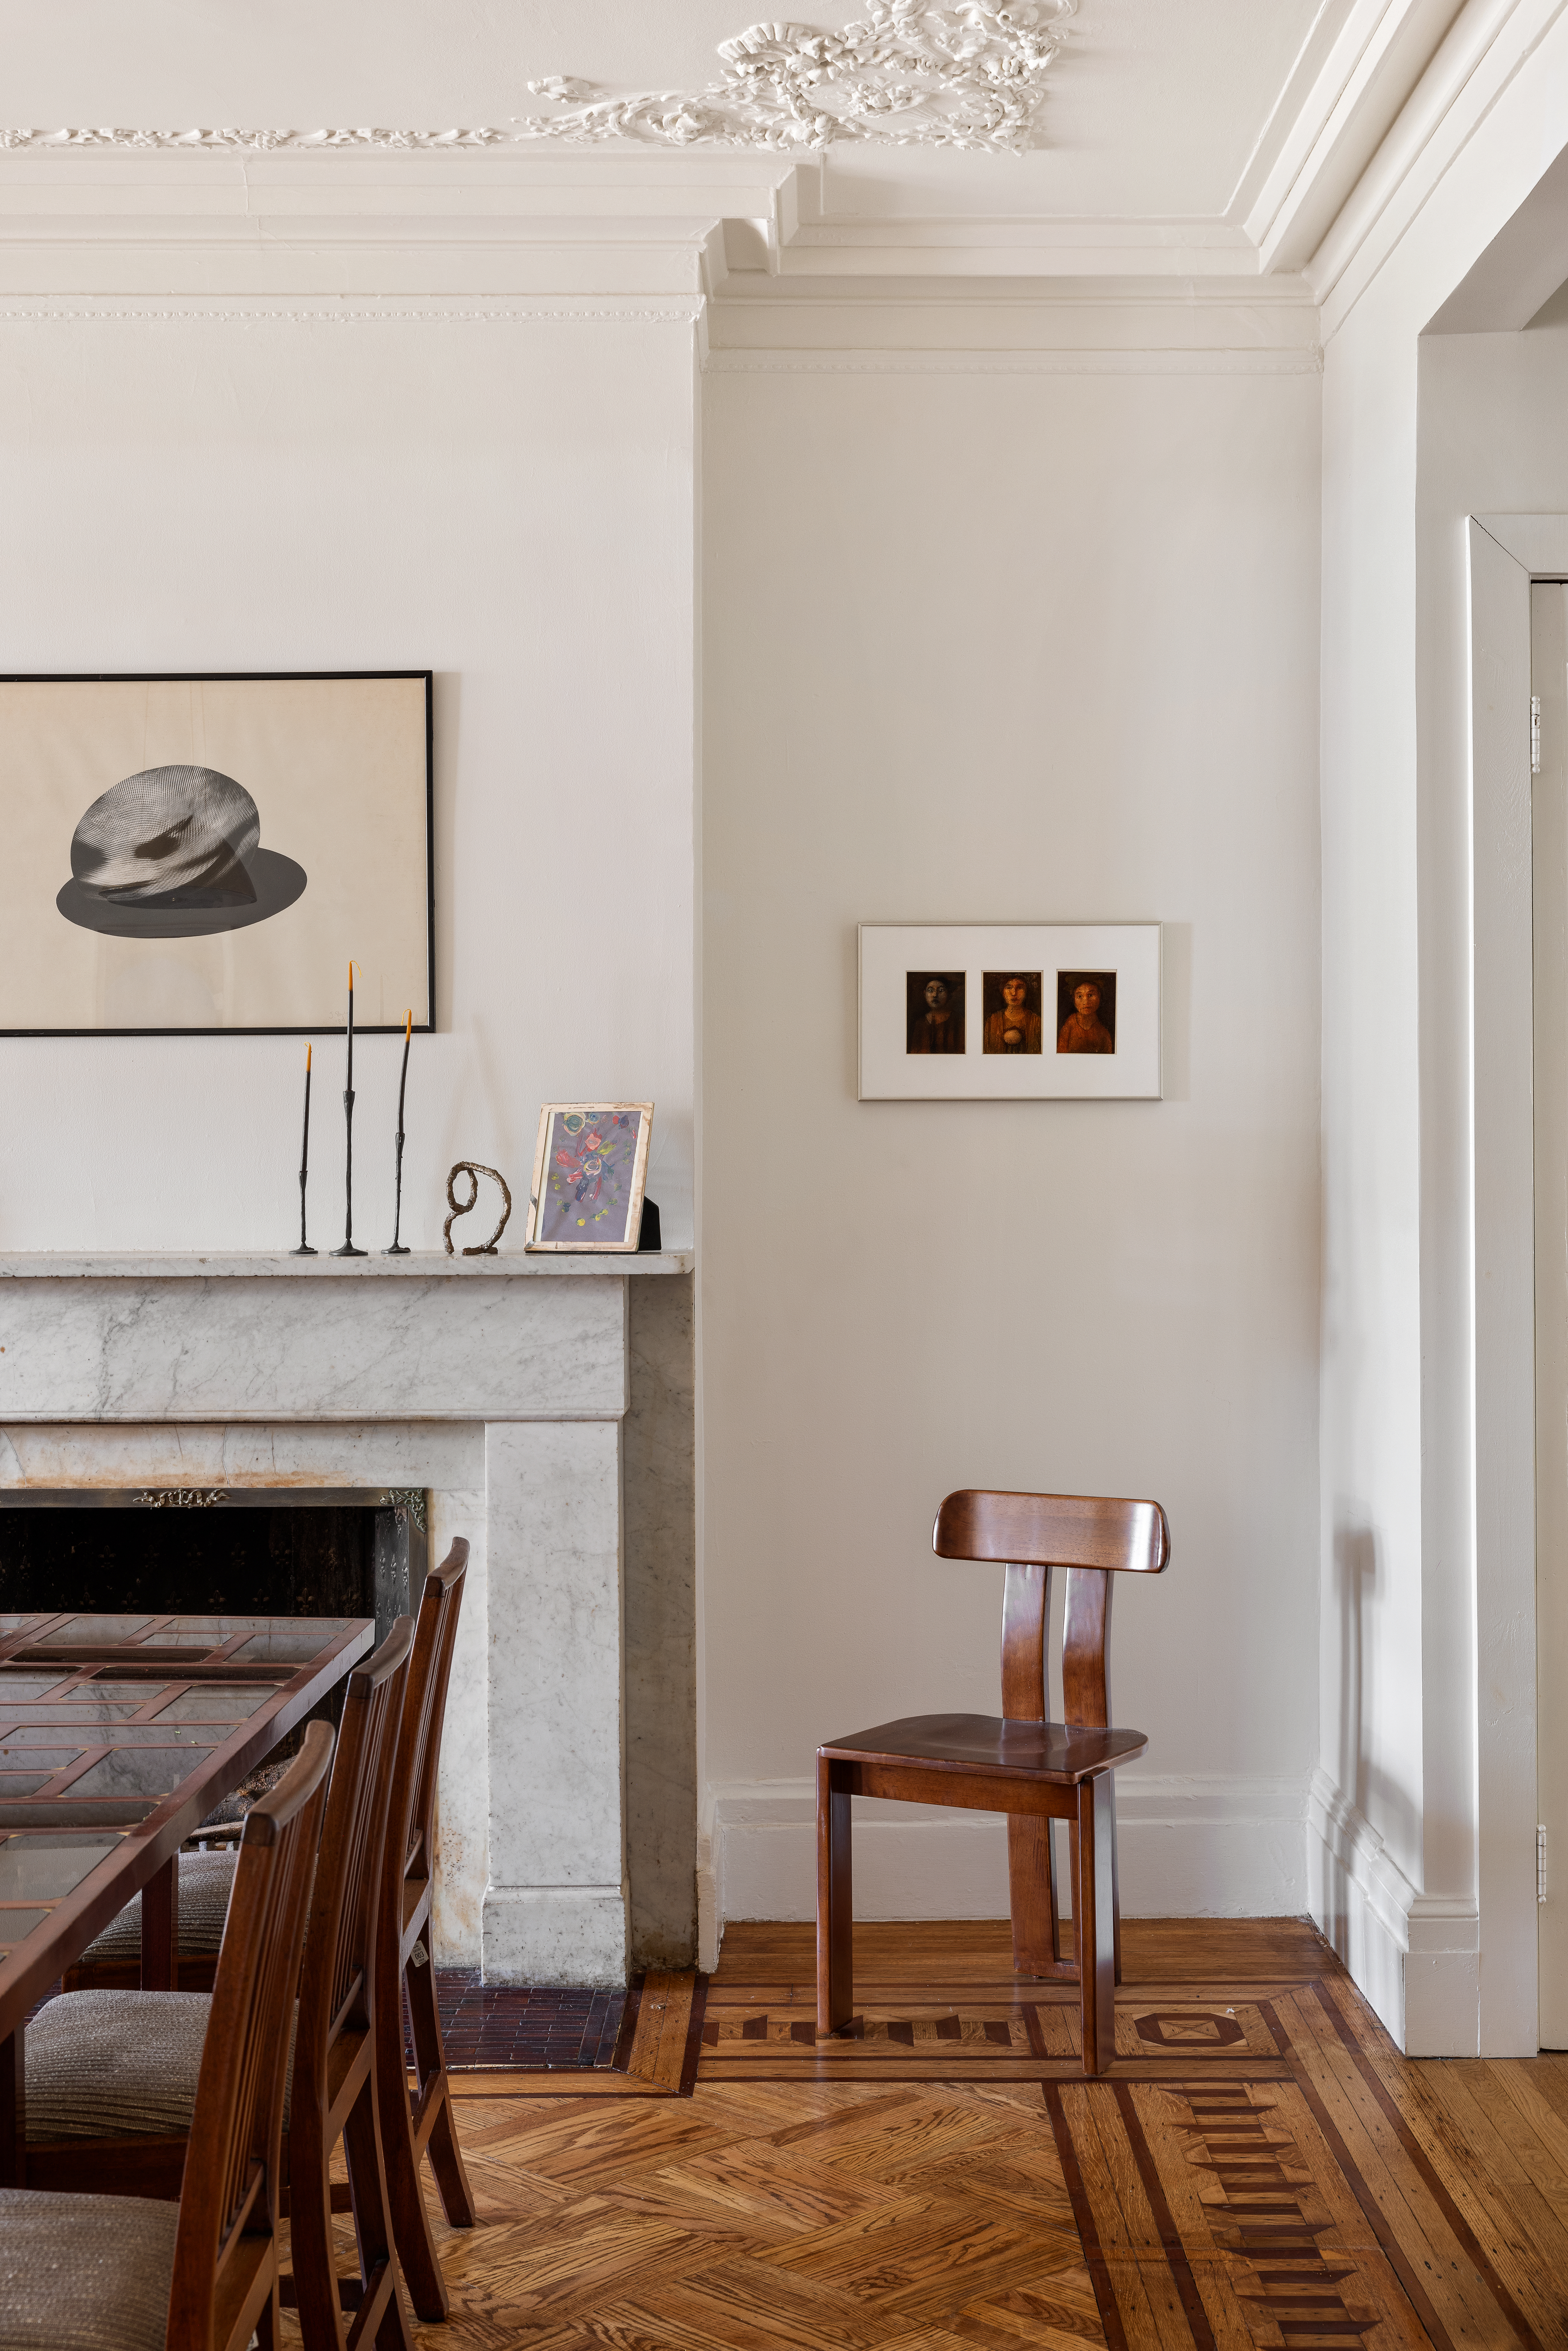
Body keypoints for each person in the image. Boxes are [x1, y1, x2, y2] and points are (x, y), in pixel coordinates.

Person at [984, 973, 1042, 1054]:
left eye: (1020, 988)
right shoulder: (993, 1021)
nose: (1014, 993)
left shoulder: (1037, 1021)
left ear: (1026, 992)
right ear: (1003, 992)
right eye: (1009, 988)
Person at [1057, 978, 1114, 1054]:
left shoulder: (1104, 1034)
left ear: (1099, 997)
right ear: (1074, 1000)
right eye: (1080, 997)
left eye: (1091, 995)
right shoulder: (1070, 1025)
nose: (1086, 1002)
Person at [909, 974, 963, 1052]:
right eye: (931, 991)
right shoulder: (920, 1023)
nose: (935, 995)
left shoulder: (959, 1021)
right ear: (925, 994)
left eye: (941, 990)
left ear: (949, 995)